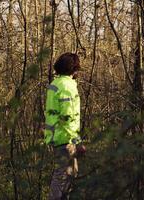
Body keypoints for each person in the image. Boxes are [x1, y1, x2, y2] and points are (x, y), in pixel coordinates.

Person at [45, 52, 86, 200]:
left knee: (69, 176)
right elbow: (67, 117)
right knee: (62, 178)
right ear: (73, 68)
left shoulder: (54, 84)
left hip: (57, 138)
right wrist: (77, 142)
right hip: (66, 139)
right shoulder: (67, 86)